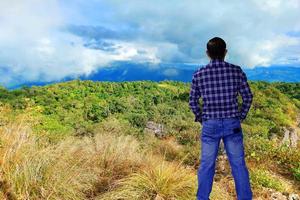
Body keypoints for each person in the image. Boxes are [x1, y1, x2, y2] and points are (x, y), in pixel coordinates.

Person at [189, 37, 253, 200]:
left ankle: (202, 198)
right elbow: (247, 97)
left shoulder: (199, 74)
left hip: (210, 125)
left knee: (206, 164)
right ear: (225, 52)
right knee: (238, 165)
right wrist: (240, 115)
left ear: (207, 54)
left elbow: (192, 101)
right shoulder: (236, 71)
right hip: (232, 124)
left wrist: (202, 118)